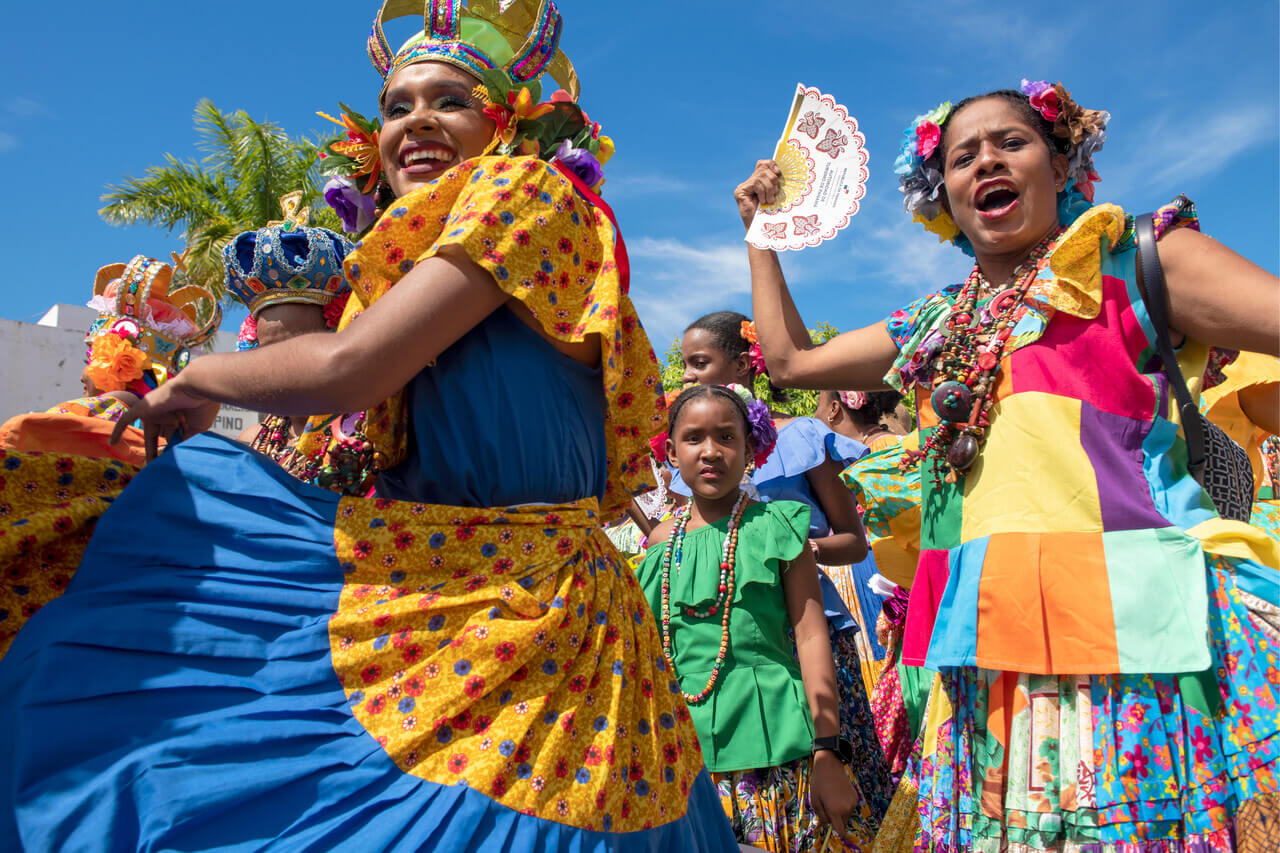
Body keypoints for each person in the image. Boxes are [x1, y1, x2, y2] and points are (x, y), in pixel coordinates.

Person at [0, 2, 734, 849]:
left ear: (503, 125)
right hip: (437, 597)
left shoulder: (526, 195)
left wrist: (194, 378)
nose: (418, 121)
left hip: (541, 627)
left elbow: (347, 369)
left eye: (450, 101)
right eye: (397, 107)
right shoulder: (403, 265)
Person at [736, 79, 1279, 850]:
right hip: (986, 645)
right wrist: (763, 232)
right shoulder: (937, 319)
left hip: (1132, 641)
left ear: (1062, 168)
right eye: (962, 157)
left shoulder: (1129, 261)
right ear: (945, 196)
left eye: (1011, 142)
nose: (986, 159)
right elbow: (789, 360)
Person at [635, 383, 871, 851]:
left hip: (777, 752)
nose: (710, 452)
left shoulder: (779, 526)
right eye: (694, 438)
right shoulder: (659, 543)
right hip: (686, 761)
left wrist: (827, 751)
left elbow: (809, 637)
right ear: (670, 452)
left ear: (751, 448)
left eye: (727, 437)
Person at [676, 311, 893, 820]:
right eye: (685, 365)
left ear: (746, 361)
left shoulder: (801, 438)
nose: (687, 375)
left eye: (699, 362)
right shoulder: (692, 455)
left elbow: (854, 542)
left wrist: (790, 551)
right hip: (729, 645)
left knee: (838, 794)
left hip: (802, 628)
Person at [222, 197, 358, 474]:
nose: (281, 367)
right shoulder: (252, 444)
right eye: (268, 354)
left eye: (297, 349)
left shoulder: (372, 432)